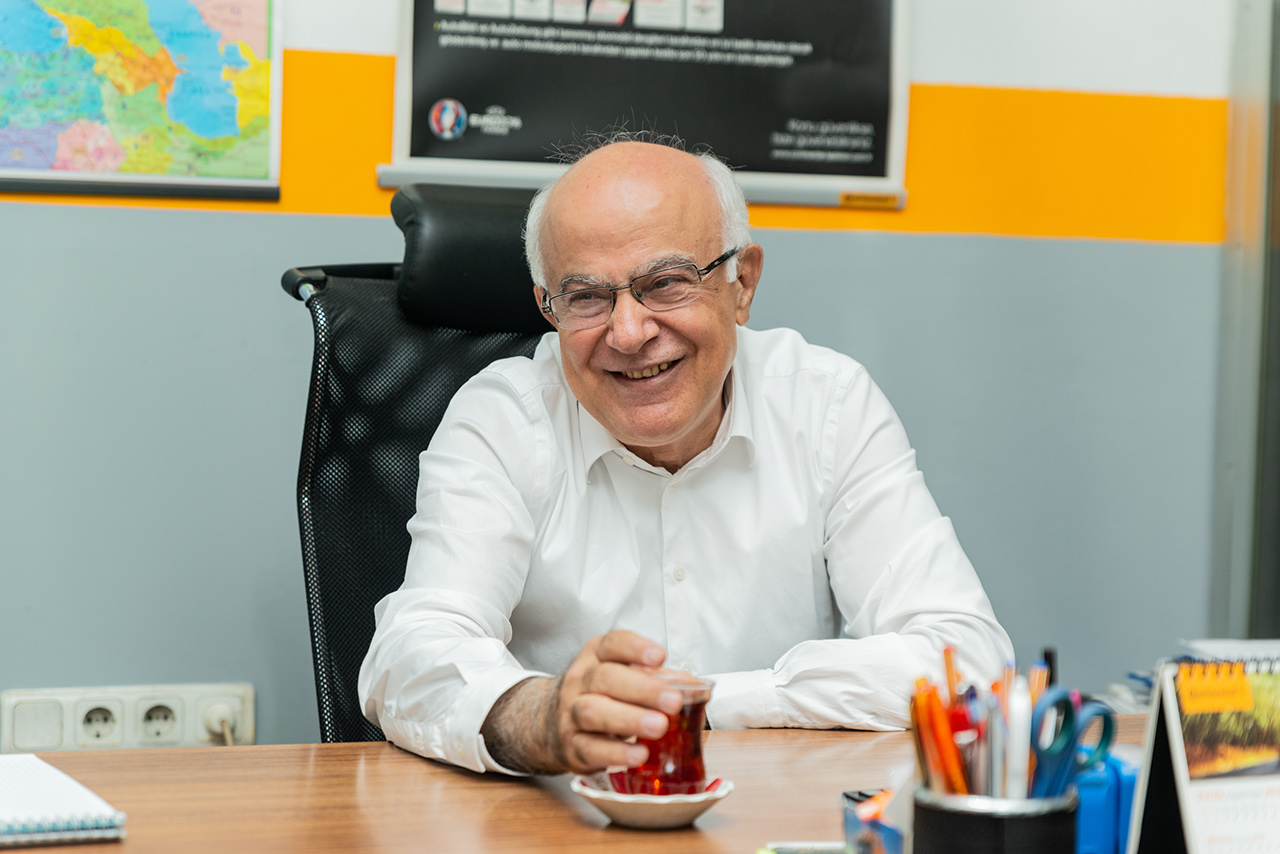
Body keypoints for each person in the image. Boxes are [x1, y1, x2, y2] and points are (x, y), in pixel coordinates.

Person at [358, 134, 1013, 776]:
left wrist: (700, 704)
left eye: (667, 283)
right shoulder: (501, 419)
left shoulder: (828, 405)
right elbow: (409, 658)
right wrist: (543, 714)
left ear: (742, 284)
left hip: (768, 819)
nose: (629, 331)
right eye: (586, 296)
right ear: (548, 311)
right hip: (565, 825)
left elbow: (968, 663)